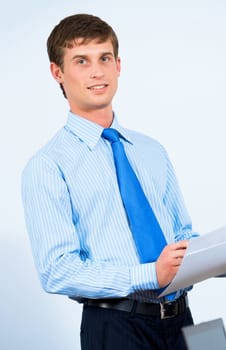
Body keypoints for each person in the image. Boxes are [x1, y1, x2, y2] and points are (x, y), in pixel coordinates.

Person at [21, 13, 199, 350]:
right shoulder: (47, 166)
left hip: (183, 322)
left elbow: (181, 235)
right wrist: (148, 275)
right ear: (57, 72)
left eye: (104, 58)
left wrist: (219, 258)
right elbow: (57, 271)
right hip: (117, 328)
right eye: (81, 61)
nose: (97, 71)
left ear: (118, 65)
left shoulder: (151, 150)